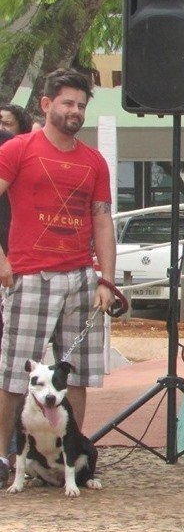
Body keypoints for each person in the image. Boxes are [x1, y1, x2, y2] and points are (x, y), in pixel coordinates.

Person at [0, 69, 117, 487]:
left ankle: (70, 460)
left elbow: (102, 220)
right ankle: (4, 458)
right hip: (30, 275)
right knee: (13, 375)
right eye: (68, 102)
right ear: (46, 104)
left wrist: (106, 279)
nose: (75, 111)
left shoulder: (93, 161)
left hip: (81, 277)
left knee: (77, 375)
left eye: (81, 105)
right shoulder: (18, 149)